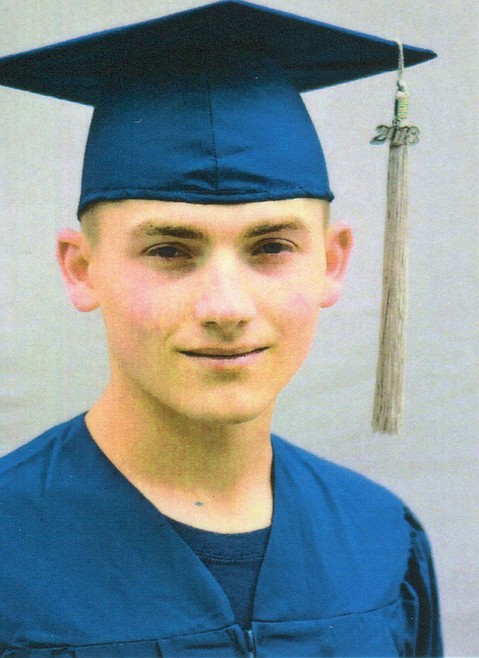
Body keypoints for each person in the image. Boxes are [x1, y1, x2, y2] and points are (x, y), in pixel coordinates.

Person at [0, 2, 442, 656]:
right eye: (169, 251)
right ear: (81, 269)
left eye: (271, 247)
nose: (226, 307)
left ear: (333, 262)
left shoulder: (380, 540)